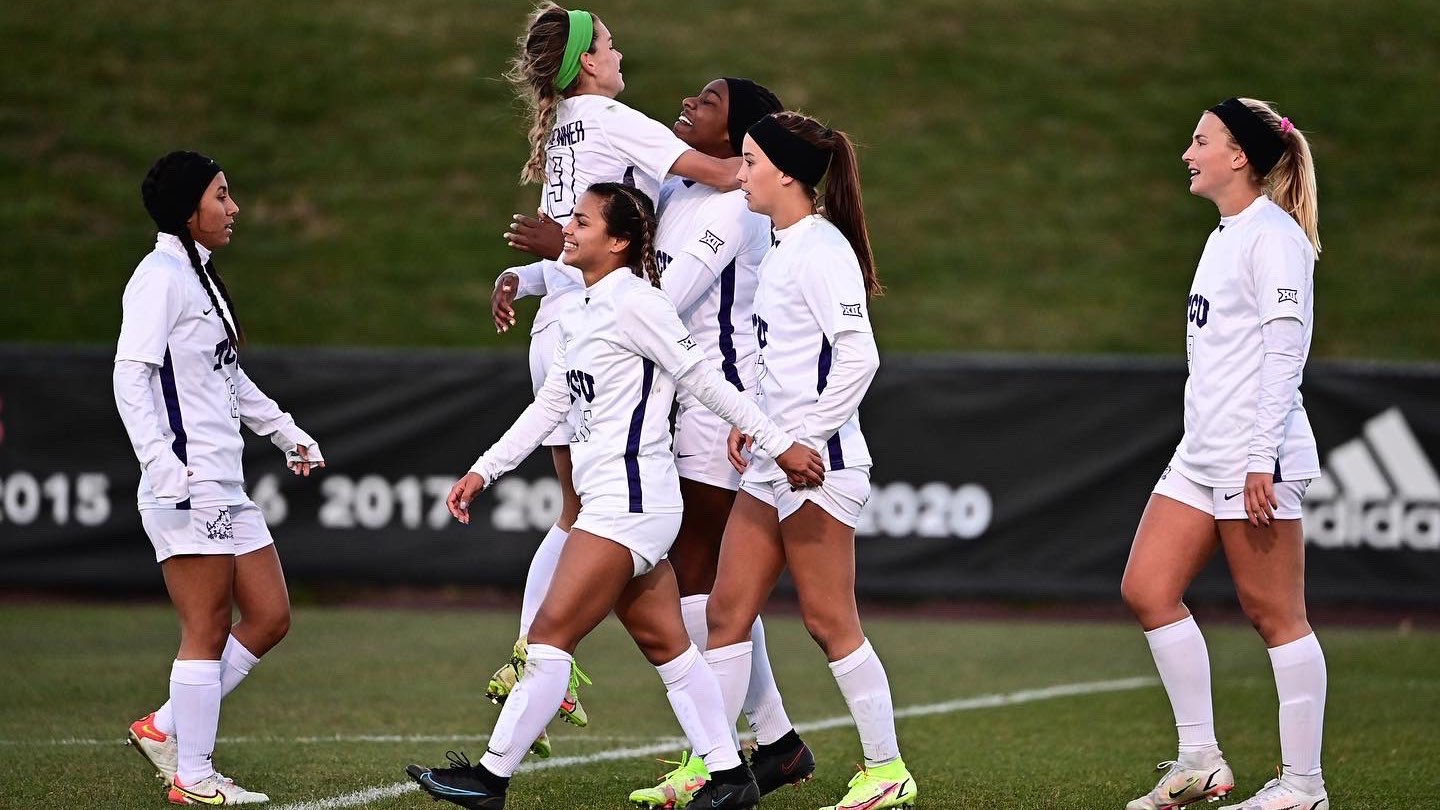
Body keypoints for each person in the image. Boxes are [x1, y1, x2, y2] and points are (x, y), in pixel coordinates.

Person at [405, 183, 825, 810]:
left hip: (631, 507)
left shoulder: (638, 304)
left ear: (620, 241)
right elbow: (549, 405)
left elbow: (704, 381)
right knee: (669, 648)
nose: (566, 230)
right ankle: (731, 776)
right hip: (617, 506)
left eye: (581, 221)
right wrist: (483, 471)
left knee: (549, 638)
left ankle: (489, 779)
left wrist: (780, 443)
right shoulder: (583, 307)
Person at [481, 4, 743, 747]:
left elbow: (568, 242)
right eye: (607, 43)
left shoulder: (567, 125)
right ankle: (534, 658)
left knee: (580, 513)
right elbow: (721, 171)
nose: (618, 52)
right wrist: (778, 162)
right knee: (588, 514)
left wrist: (524, 277)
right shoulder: (609, 116)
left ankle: (537, 658)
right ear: (587, 66)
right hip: (591, 333)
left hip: (561, 324)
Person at [703, 111, 918, 810]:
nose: (741, 174)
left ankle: (887, 770)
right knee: (727, 612)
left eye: (752, 162)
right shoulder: (781, 243)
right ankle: (718, 770)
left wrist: (804, 439)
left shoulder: (820, 248)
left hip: (819, 466)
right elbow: (785, 362)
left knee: (829, 621)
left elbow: (860, 357)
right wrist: (758, 428)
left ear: (788, 175)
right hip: (776, 461)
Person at [1120, 98, 1327, 810]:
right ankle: (1200, 761)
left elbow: (1283, 352)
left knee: (1276, 617)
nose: (1187, 152)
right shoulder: (1224, 234)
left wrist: (1260, 457)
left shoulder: (1275, 237)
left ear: (1239, 156)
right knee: (1147, 589)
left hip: (1252, 456)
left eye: (1200, 140)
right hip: (1204, 453)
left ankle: (1304, 786)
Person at [621, 77, 819, 809]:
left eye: (709, 100)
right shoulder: (684, 191)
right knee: (707, 583)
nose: (689, 103)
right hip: (691, 400)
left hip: (720, 405)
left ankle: (718, 756)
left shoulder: (736, 204)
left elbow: (664, 298)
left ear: (740, 134)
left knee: (699, 575)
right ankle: (773, 742)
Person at [116, 151, 324, 806]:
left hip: (223, 481)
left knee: (268, 614)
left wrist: (287, 431)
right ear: (188, 211)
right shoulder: (160, 278)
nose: (233, 208)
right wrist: (160, 462)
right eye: (222, 196)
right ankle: (195, 778)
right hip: (186, 482)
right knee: (206, 625)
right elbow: (131, 375)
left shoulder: (199, 277)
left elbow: (227, 378)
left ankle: (164, 728)